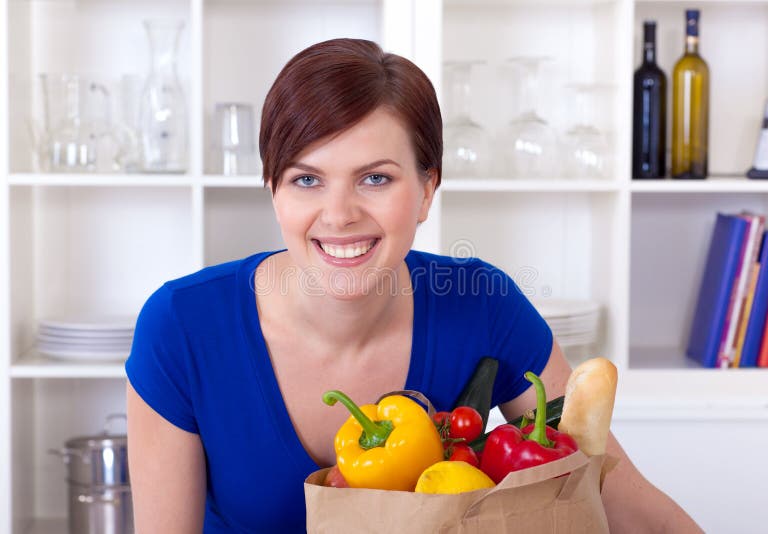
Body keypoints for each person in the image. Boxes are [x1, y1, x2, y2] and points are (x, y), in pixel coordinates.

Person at [126, 38, 701, 533]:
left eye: (375, 178)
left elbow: (629, 509)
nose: (340, 213)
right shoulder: (181, 328)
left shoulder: (483, 307)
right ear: (273, 188)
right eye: (307, 179)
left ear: (428, 189)